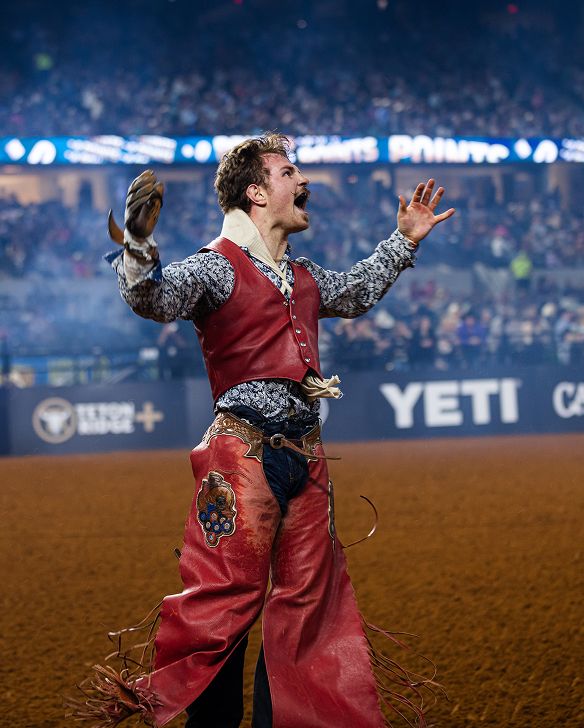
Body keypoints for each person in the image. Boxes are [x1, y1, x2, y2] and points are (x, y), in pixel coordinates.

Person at [72, 133, 455, 728]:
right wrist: (141, 243)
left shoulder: (300, 275)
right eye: (288, 172)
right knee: (224, 608)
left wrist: (404, 240)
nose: (303, 182)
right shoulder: (215, 267)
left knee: (302, 613)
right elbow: (152, 297)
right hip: (243, 458)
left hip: (302, 459)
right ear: (255, 191)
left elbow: (353, 292)